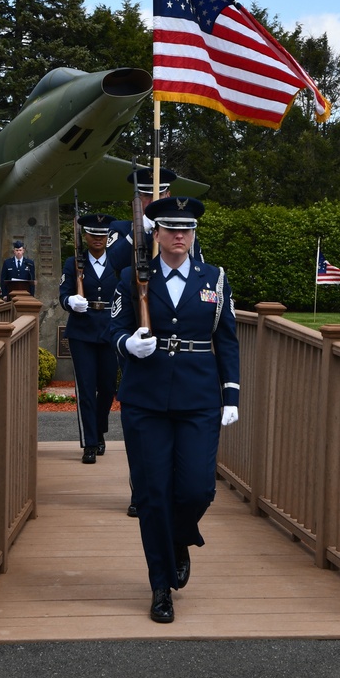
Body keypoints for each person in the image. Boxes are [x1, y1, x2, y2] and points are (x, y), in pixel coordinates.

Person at [110, 196, 239, 624]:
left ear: (193, 234)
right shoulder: (132, 277)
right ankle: (160, 585)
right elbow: (114, 326)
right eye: (170, 228)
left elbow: (227, 339)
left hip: (199, 398)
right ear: (156, 233)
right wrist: (127, 344)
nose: (179, 236)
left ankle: (181, 537)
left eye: (186, 230)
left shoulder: (215, 278)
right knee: (152, 495)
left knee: (197, 489)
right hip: (145, 400)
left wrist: (232, 395)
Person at [59, 214, 120, 463]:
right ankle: (90, 443)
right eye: (93, 234)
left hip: (110, 329)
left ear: (108, 237)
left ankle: (99, 428)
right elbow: (63, 294)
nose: (98, 239)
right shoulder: (74, 262)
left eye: (102, 234)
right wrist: (71, 301)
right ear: (85, 236)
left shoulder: (118, 262)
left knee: (107, 388)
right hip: (82, 331)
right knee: (86, 387)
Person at [107, 166, 203, 274]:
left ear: (168, 195)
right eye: (147, 195)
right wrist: (139, 229)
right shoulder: (120, 228)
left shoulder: (181, 229)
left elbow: (197, 269)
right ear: (137, 198)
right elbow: (114, 263)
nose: (153, 200)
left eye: (160, 194)